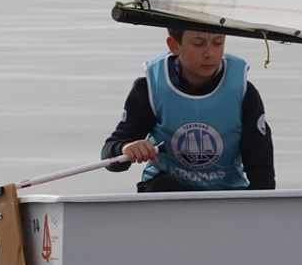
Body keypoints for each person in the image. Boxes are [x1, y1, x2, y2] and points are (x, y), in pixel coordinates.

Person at [101, 29, 275, 192]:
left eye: (218, 42)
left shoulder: (242, 91)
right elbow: (110, 157)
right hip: (166, 194)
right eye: (198, 44)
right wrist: (125, 148)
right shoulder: (150, 88)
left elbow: (261, 169)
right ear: (174, 45)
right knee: (162, 186)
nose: (210, 54)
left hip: (225, 196)